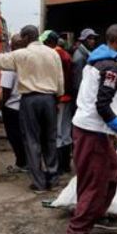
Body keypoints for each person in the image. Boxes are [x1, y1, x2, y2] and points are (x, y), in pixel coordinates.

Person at [66, 24, 117, 234]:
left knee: (106, 173)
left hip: (89, 128)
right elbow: (102, 105)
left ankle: (93, 215)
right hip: (93, 131)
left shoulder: (98, 60)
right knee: (98, 180)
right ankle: (77, 233)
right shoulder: (111, 66)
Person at [0, 25, 64, 193]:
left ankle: (38, 183)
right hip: (50, 99)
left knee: (32, 140)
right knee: (50, 139)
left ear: (26, 37)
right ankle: (53, 178)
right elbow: (60, 80)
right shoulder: (53, 53)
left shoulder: (22, 54)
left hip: (30, 100)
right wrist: (57, 99)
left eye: (22, 37)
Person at [42, 30, 74, 174]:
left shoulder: (56, 55)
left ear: (50, 42)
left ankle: (61, 166)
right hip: (66, 97)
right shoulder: (64, 55)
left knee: (59, 132)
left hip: (60, 98)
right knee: (65, 131)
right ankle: (65, 165)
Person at [0, 35, 27, 173]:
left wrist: (2, 105)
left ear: (12, 46)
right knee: (25, 136)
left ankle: (21, 163)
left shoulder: (10, 61)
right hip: (27, 104)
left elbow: (6, 88)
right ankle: (26, 162)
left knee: (14, 136)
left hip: (12, 106)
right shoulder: (28, 59)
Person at [72, 28, 99, 98]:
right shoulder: (80, 57)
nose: (92, 41)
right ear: (83, 40)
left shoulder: (87, 53)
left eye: (93, 39)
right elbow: (78, 82)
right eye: (89, 39)